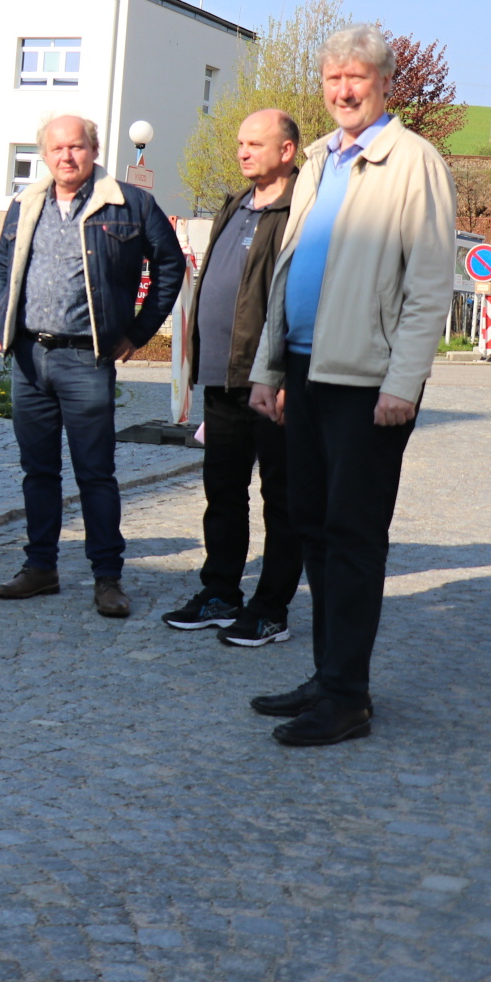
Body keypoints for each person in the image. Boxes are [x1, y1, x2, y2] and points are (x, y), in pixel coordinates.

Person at [246, 25, 456, 746]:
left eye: (356, 77)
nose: (343, 90)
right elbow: (287, 272)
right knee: (310, 525)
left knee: (353, 535)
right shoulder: (317, 161)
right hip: (305, 370)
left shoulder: (413, 162)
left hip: (368, 383)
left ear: (384, 83)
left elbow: (429, 285)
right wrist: (269, 368)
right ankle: (326, 674)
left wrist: (406, 381)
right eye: (333, 78)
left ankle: (347, 697)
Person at [0, 115, 185, 617]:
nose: (66, 156)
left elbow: (170, 264)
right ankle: (40, 567)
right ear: (44, 154)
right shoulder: (25, 203)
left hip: (86, 358)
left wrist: (138, 332)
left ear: (94, 150)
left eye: (76, 147)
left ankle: (107, 577)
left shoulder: (129, 203)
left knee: (95, 472)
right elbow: (2, 265)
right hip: (29, 356)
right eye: (56, 149)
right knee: (38, 471)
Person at [161, 109, 305, 647]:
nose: (243, 151)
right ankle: (221, 592)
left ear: (286, 151)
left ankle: (271, 608)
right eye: (241, 143)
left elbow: (302, 296)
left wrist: (286, 374)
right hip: (221, 376)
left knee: (281, 497)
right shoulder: (235, 203)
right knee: (222, 490)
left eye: (255, 144)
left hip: (271, 379)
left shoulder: (301, 212)